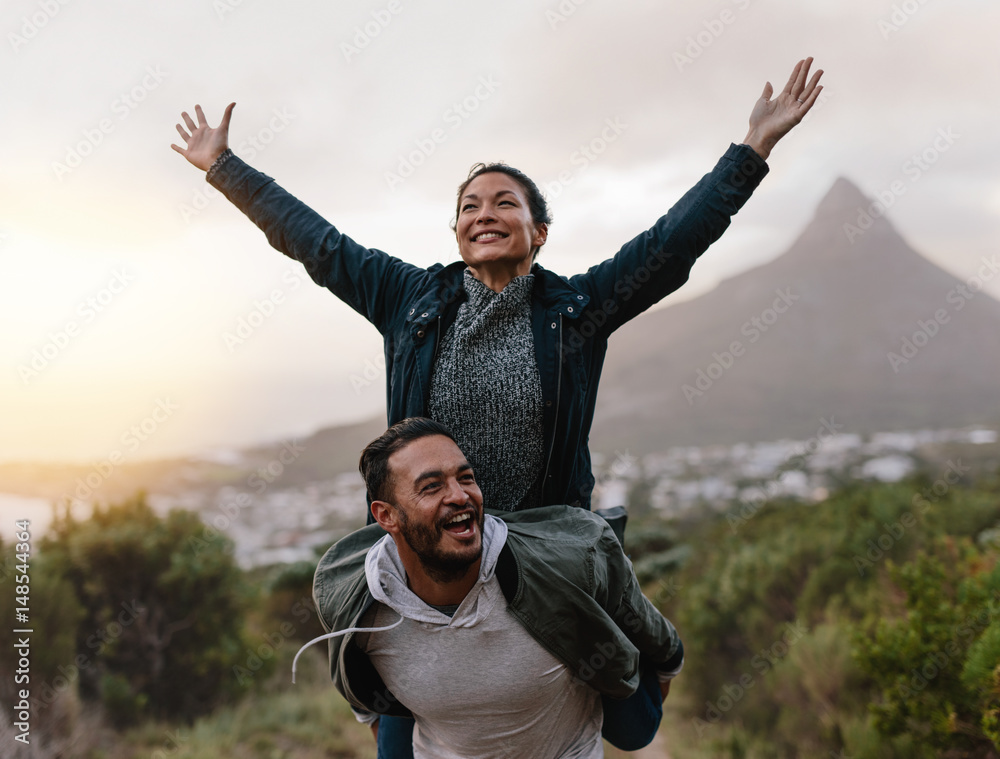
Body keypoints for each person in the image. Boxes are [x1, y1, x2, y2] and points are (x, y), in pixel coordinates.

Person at [172, 57, 823, 754]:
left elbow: (669, 247)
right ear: (456, 232)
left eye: (505, 202)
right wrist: (224, 167)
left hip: (540, 551)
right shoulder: (409, 299)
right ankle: (383, 697)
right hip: (431, 554)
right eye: (470, 206)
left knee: (636, 725)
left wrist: (751, 150)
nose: (485, 213)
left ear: (538, 231)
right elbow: (317, 243)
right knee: (399, 735)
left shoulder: (576, 309)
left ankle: (641, 668)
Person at [295, 417, 684, 758]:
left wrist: (666, 662)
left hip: (569, 744)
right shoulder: (358, 597)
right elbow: (357, 688)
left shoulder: (565, 565)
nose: (460, 495)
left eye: (465, 478)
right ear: (386, 515)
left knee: (638, 732)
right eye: (431, 487)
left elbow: (645, 625)